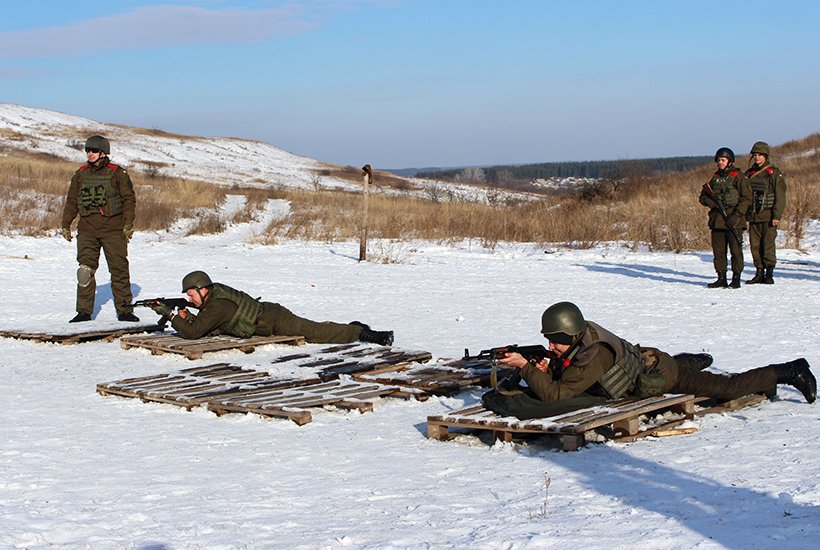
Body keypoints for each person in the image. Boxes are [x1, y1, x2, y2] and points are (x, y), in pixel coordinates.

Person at [483, 302, 815, 420]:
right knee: (678, 364)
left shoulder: (595, 353)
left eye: (556, 341)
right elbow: (571, 369)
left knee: (727, 388)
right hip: (646, 360)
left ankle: (788, 370)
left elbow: (557, 394)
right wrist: (548, 366)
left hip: (660, 374)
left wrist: (525, 367)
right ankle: (690, 361)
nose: (551, 346)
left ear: (571, 334)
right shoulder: (582, 336)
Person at [150, 270, 394, 345]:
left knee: (316, 333)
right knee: (316, 329)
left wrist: (170, 314)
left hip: (274, 319)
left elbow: (194, 333)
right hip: (264, 321)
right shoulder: (213, 301)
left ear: (203, 289)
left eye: (191, 294)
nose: (190, 299)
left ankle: (363, 333)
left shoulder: (219, 305)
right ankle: (351, 327)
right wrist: (184, 316)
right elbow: (204, 327)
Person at [61, 135, 138, 322]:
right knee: (84, 271)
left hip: (113, 230)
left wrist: (128, 224)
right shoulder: (80, 174)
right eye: (88, 150)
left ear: (103, 152)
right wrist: (66, 224)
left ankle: (124, 310)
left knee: (119, 270)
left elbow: (129, 200)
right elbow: (72, 201)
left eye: (94, 150)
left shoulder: (118, 173)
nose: (90, 153)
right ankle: (84, 311)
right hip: (87, 230)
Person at [699, 147, 752, 289]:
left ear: (730, 161)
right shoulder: (715, 178)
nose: (720, 163)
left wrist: (737, 215)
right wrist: (711, 203)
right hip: (717, 220)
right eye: (718, 160)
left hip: (734, 220)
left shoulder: (739, 177)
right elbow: (703, 197)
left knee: (736, 251)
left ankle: (736, 278)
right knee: (719, 251)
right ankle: (721, 277)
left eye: (722, 160)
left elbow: (747, 198)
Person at [744, 141, 787, 284]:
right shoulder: (749, 173)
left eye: (760, 155)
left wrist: (777, 215)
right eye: (755, 155)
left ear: (765, 156)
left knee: (768, 245)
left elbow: (780, 196)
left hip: (768, 216)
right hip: (753, 216)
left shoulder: (774, 173)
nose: (757, 157)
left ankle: (769, 273)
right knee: (755, 246)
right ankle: (759, 272)